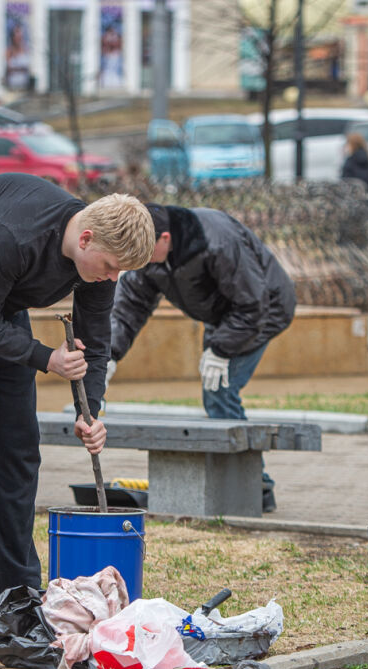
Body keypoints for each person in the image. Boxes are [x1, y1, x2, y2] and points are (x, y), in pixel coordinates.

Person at [0, 172, 154, 611]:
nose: (113, 278)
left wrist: (90, 412)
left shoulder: (97, 269)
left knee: (16, 452)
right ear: (87, 238)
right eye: (111, 267)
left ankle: (17, 596)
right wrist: (46, 358)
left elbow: (94, 344)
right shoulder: (13, 234)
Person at [107, 203, 296, 513]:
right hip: (225, 314)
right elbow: (131, 306)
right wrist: (110, 353)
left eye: (143, 251)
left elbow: (252, 304)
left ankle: (256, 486)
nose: (137, 260)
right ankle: (252, 483)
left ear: (165, 238)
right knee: (217, 395)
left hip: (263, 309)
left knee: (220, 392)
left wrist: (221, 351)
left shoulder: (217, 241)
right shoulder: (147, 248)